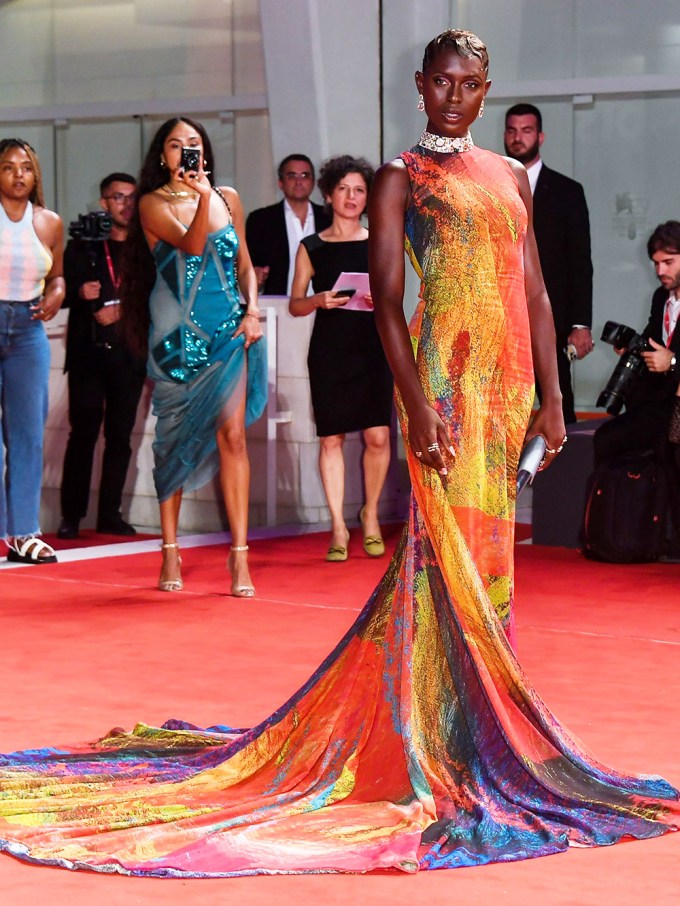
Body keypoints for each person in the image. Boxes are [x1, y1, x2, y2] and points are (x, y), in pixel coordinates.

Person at [0, 33, 678, 878]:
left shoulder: (505, 176)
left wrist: (549, 395)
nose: (457, 97)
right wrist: (419, 406)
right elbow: (387, 301)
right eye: (442, 83)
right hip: (445, 383)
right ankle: (439, 741)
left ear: (486, 87)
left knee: (491, 563)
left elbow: (535, 287)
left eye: (472, 84)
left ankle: (478, 732)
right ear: (423, 87)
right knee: (448, 560)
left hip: (505, 389)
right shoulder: (402, 178)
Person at [121, 117, 267, 595]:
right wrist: (202, 196)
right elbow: (193, 243)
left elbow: (243, 262)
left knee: (234, 439)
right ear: (161, 155)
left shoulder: (230, 197)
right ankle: (169, 550)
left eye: (194, 144)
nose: (186, 151)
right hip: (178, 339)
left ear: (204, 152)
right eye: (175, 145)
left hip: (229, 333)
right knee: (173, 444)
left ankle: (239, 558)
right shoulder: (151, 204)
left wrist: (253, 310)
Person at [289, 155, 392, 560]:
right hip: (330, 349)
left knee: (378, 435)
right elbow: (295, 304)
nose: (352, 197)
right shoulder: (311, 247)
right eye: (344, 189)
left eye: (360, 190)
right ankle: (336, 527)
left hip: (372, 345)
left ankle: (369, 516)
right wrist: (317, 299)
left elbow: (396, 294)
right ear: (329, 195)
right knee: (331, 437)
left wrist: (378, 299)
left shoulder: (381, 238)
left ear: (368, 197)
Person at [57, 172, 146, 540]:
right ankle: (71, 517)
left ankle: (110, 513)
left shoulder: (145, 248)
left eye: (131, 197)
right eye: (118, 197)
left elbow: (153, 296)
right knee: (83, 435)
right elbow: (60, 292)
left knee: (121, 438)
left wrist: (120, 308)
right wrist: (80, 291)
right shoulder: (82, 246)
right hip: (88, 354)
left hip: (129, 355)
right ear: (104, 203)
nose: (126, 204)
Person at [504, 103, 594, 424]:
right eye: (512, 130)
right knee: (504, 399)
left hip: (552, 314)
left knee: (557, 399)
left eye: (526, 130)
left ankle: (567, 467)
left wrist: (581, 324)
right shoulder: (495, 189)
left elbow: (580, 261)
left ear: (540, 136)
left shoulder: (567, 192)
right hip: (502, 312)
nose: (518, 138)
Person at [0, 138, 64, 565]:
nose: (18, 174)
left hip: (28, 331)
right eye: (8, 167)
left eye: (25, 167)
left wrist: (57, 294)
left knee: (26, 436)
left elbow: (57, 277)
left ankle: (23, 533)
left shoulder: (49, 222)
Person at [593, 221, 680, 467]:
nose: (660, 270)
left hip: (675, 409)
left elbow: (668, 357)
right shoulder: (661, 296)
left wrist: (672, 361)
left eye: (668, 262)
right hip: (658, 403)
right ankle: (613, 503)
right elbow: (653, 338)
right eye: (656, 263)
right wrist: (633, 347)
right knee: (607, 439)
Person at [246, 154, 331, 295]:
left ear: (313, 182)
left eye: (305, 175)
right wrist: (254, 275)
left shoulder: (328, 218)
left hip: (322, 305)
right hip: (277, 305)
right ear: (280, 183)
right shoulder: (261, 220)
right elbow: (247, 266)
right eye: (292, 176)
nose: (299, 182)